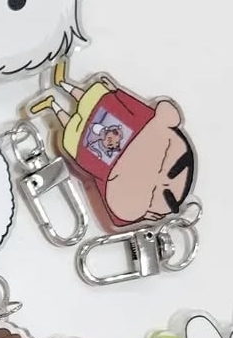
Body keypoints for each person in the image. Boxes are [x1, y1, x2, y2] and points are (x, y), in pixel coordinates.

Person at [31, 59, 195, 226]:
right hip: (109, 113)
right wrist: (117, 91)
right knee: (88, 100)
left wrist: (142, 215)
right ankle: (62, 82)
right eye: (164, 162)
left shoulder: (123, 187)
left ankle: (52, 104)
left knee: (72, 127)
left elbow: (115, 208)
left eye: (154, 191)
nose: (159, 178)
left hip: (86, 147)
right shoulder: (149, 126)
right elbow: (138, 109)